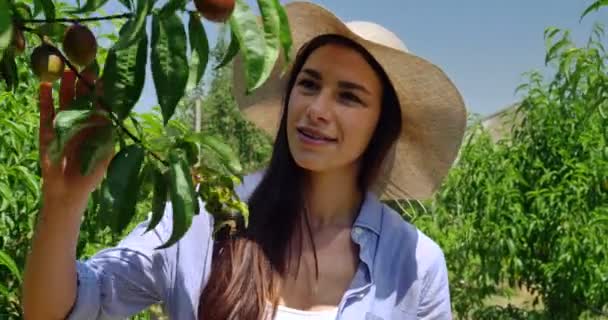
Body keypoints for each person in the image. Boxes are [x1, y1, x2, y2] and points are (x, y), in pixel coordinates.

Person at [22, 2, 467, 319]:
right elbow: (66, 308)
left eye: (349, 96)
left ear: (381, 126)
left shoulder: (414, 265)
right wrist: (64, 203)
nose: (316, 108)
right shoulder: (204, 215)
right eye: (308, 84)